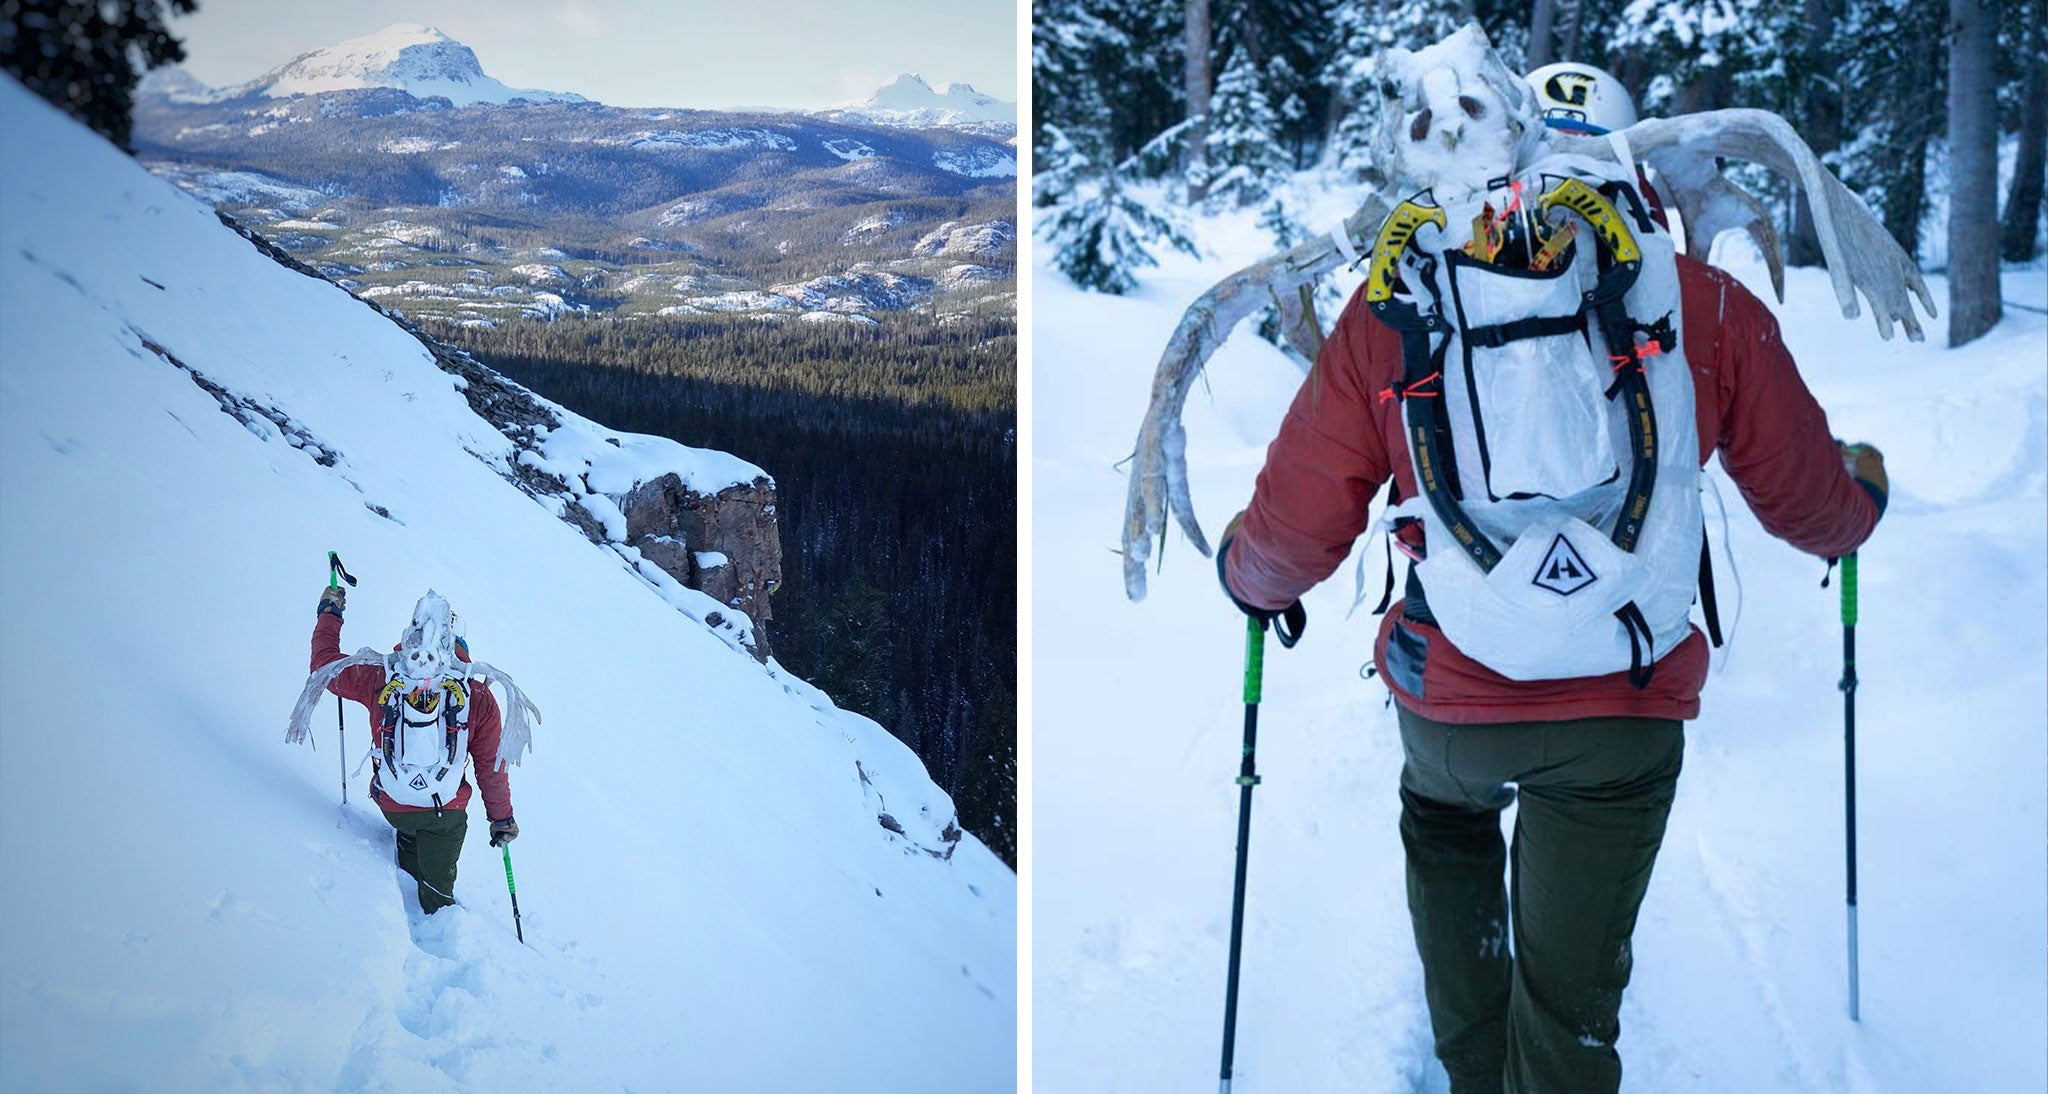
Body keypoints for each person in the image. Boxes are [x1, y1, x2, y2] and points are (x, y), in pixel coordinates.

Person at [1214, 64, 1888, 1094]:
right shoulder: (1702, 304)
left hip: (1449, 700)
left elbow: (1296, 525)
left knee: (1443, 823)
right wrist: (1859, 506)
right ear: (1629, 160)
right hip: (1618, 712)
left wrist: (1246, 575)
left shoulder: (1399, 301)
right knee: (1572, 1004)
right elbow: (1806, 503)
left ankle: (1472, 1070)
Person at [309, 587, 519, 914]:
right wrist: (501, 819)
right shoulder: (476, 696)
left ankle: (406, 871)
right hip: (443, 816)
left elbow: (323, 667)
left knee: (410, 829)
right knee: (438, 897)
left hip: (392, 805)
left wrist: (329, 613)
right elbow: (491, 768)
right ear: (460, 647)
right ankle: (436, 917)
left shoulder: (381, 675)